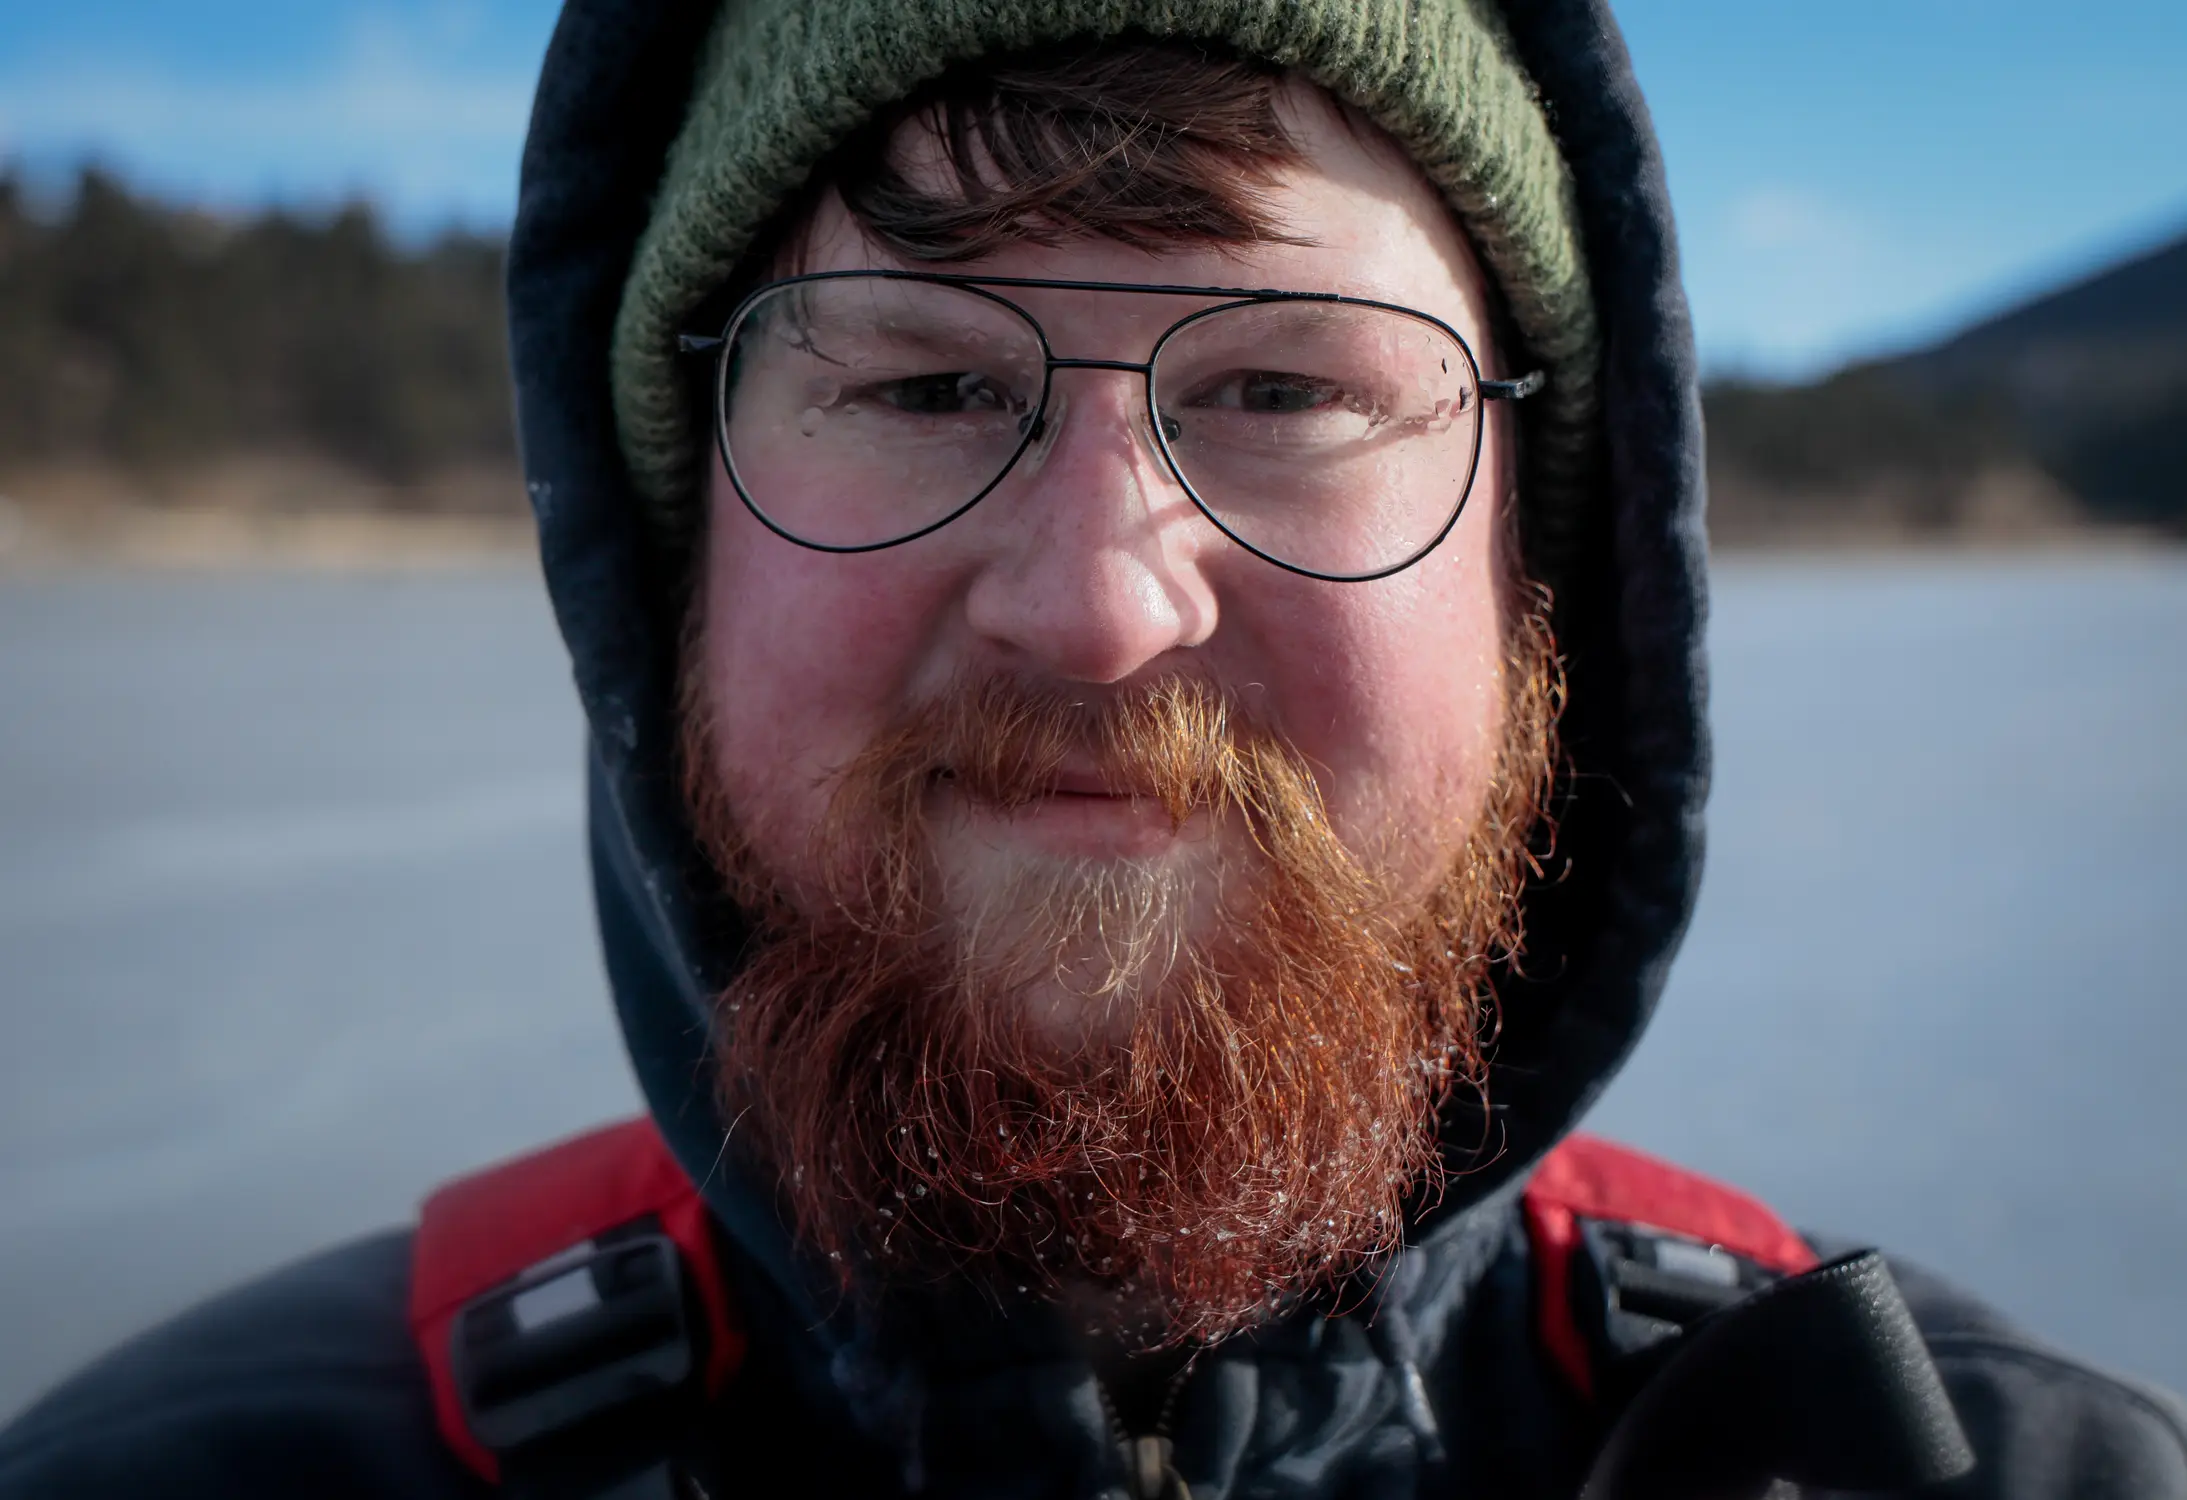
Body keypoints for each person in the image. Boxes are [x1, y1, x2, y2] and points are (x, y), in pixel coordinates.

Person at [3, 2, 2182, 1496]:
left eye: (1288, 391)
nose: (1099, 604)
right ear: (668, 560)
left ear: (1543, 566)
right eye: (921, 386)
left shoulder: (1979, 1464)